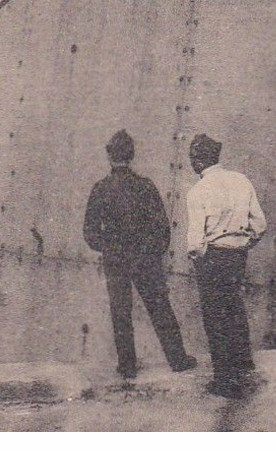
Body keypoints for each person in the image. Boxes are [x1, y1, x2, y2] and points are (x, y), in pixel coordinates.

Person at [82, 129, 196, 381]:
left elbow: (89, 233)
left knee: (120, 312)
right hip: (145, 259)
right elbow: (162, 229)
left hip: (115, 260)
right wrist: (150, 252)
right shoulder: (145, 186)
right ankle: (178, 360)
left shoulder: (100, 189)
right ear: (131, 155)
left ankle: (127, 366)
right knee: (160, 307)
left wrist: (110, 247)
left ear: (109, 156)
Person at [185, 133, 266, 398]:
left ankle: (224, 380)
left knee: (215, 317)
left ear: (198, 161)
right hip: (237, 255)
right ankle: (244, 365)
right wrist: (243, 243)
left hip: (213, 257)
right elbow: (260, 224)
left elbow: (196, 242)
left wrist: (200, 256)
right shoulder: (241, 181)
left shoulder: (198, 191)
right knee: (234, 307)